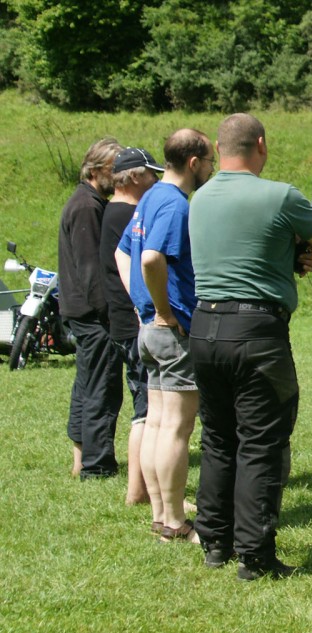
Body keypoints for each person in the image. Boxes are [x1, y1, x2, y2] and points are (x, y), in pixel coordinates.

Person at [189, 113, 312, 581]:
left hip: (203, 327)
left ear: (219, 146)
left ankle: (215, 541)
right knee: (261, 442)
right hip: (256, 332)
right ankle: (255, 556)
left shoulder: (199, 197)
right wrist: (295, 240)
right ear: (261, 145)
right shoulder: (279, 195)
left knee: (217, 437)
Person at [116, 129, 214, 543]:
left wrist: (141, 305)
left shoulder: (151, 195)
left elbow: (124, 252)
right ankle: (174, 523)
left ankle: (162, 515)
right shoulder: (174, 204)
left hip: (149, 331)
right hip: (171, 331)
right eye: (209, 160)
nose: (212, 167)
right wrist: (160, 309)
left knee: (157, 424)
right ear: (194, 162)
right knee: (176, 427)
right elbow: (152, 257)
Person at [100, 147, 163, 504]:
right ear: (136, 176)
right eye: (151, 173)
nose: (156, 180)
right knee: (147, 410)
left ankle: (141, 490)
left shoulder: (113, 211)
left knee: (146, 405)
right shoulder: (128, 214)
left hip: (123, 321)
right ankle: (138, 491)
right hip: (135, 321)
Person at [58, 137, 123, 480]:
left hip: (80, 310)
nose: (121, 176)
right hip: (92, 313)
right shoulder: (87, 206)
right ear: (96, 169)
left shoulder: (88, 201)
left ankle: (81, 456)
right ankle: (97, 465)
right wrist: (109, 315)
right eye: (115, 169)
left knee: (87, 383)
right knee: (102, 386)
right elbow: (91, 269)